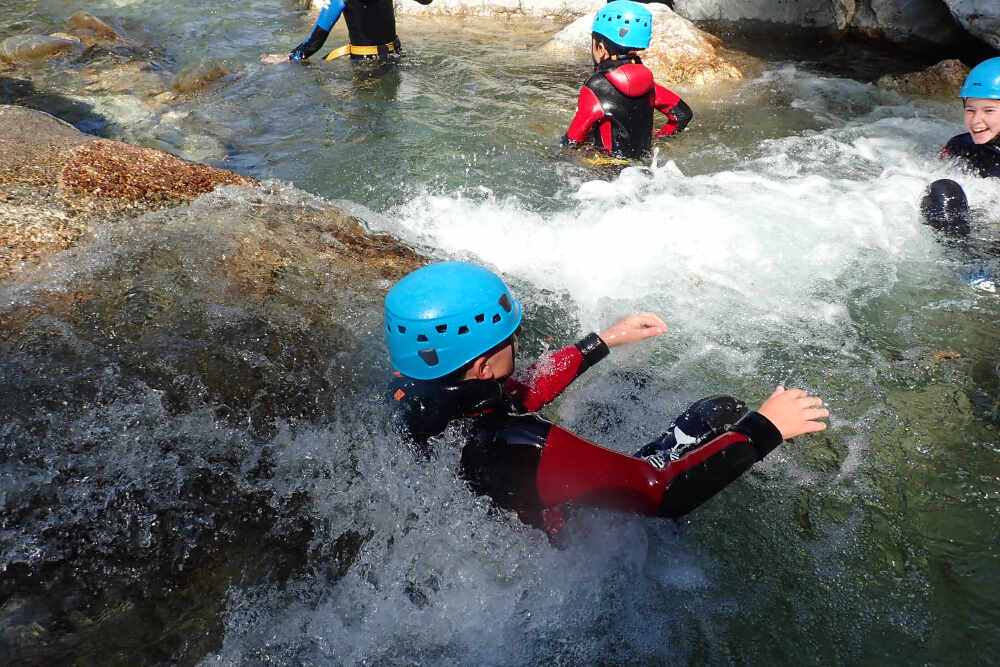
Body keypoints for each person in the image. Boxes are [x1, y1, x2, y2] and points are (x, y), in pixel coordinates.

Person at [385, 262, 829, 536]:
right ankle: (683, 448)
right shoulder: (517, 442)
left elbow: (525, 390)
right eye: (510, 337)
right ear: (482, 367)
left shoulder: (411, 392)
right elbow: (662, 497)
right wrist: (765, 429)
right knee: (697, 437)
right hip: (551, 552)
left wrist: (605, 340)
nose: (518, 340)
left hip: (490, 527)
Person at [562, 1, 692, 160]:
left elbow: (573, 139)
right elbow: (682, 114)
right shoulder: (648, 83)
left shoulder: (596, 86)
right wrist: (658, 139)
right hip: (643, 167)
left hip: (603, 171)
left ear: (601, 49)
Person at [921, 57, 1000, 235]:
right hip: (971, 240)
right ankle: (958, 256)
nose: (975, 120)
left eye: (989, 110)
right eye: (970, 110)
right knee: (943, 190)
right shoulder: (960, 147)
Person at [288, 0, 432, 63]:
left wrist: (291, 57)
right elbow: (427, 1)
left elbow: (314, 43)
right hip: (395, 57)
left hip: (365, 66)